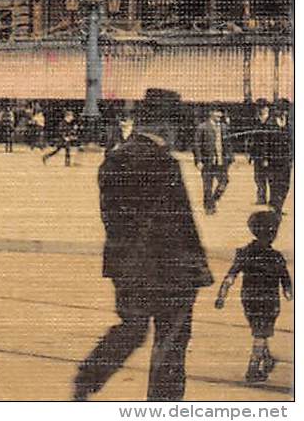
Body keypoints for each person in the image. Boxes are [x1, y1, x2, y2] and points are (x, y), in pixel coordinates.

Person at [73, 90, 211, 402]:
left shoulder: (114, 159)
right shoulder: (164, 163)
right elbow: (180, 223)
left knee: (132, 328)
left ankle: (88, 377)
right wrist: (197, 269)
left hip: (127, 266)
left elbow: (114, 219)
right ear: (166, 126)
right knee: (171, 343)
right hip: (171, 270)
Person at [216, 209, 292, 384]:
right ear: (274, 233)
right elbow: (286, 280)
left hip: (249, 301)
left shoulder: (245, 253)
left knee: (260, 332)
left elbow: (230, 276)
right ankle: (252, 370)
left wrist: (222, 295)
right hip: (269, 302)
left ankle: (267, 359)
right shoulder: (276, 257)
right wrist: (289, 294)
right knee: (261, 334)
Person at [192, 108, 232, 215]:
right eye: (217, 112)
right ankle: (209, 208)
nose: (220, 115)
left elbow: (228, 144)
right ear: (211, 113)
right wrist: (199, 161)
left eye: (221, 113)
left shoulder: (224, 127)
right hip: (207, 162)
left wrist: (230, 158)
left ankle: (212, 201)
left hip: (221, 161)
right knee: (208, 186)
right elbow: (196, 145)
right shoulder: (202, 127)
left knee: (224, 182)